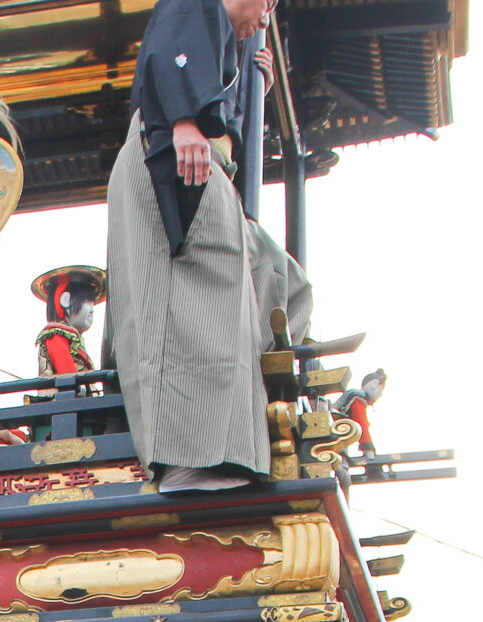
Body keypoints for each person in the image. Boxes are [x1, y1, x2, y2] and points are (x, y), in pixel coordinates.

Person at [106, 0, 312, 493]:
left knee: (282, 278)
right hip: (173, 157)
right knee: (194, 299)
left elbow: (210, 97)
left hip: (201, 165)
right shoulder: (197, 4)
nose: (266, 19)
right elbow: (170, 49)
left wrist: (248, 86)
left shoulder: (221, 39)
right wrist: (183, 122)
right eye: (268, 3)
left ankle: (255, 408)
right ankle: (191, 456)